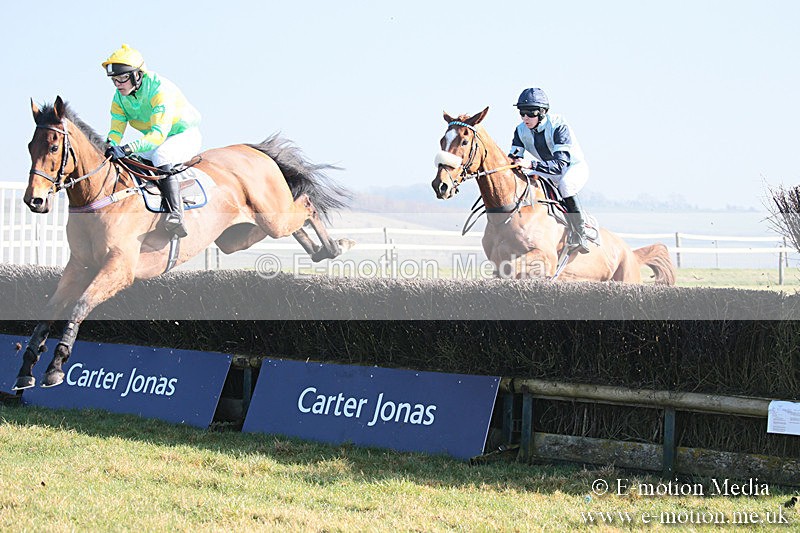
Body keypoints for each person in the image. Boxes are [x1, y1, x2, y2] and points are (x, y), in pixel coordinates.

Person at [101, 44, 202, 238]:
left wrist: (127, 148)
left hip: (184, 134)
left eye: (122, 78)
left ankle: (176, 214)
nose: (118, 84)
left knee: (161, 155)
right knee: (131, 159)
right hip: (158, 139)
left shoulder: (159, 90)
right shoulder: (119, 98)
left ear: (137, 75)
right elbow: (116, 130)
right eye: (114, 80)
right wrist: (110, 145)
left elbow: (157, 135)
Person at [508, 87, 591, 253]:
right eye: (522, 113)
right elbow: (514, 158)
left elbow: (560, 165)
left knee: (566, 186)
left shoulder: (559, 126)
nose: (525, 118)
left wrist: (531, 165)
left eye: (530, 113)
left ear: (542, 112)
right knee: (526, 179)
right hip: (547, 168)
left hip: (571, 167)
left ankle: (581, 233)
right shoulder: (520, 130)